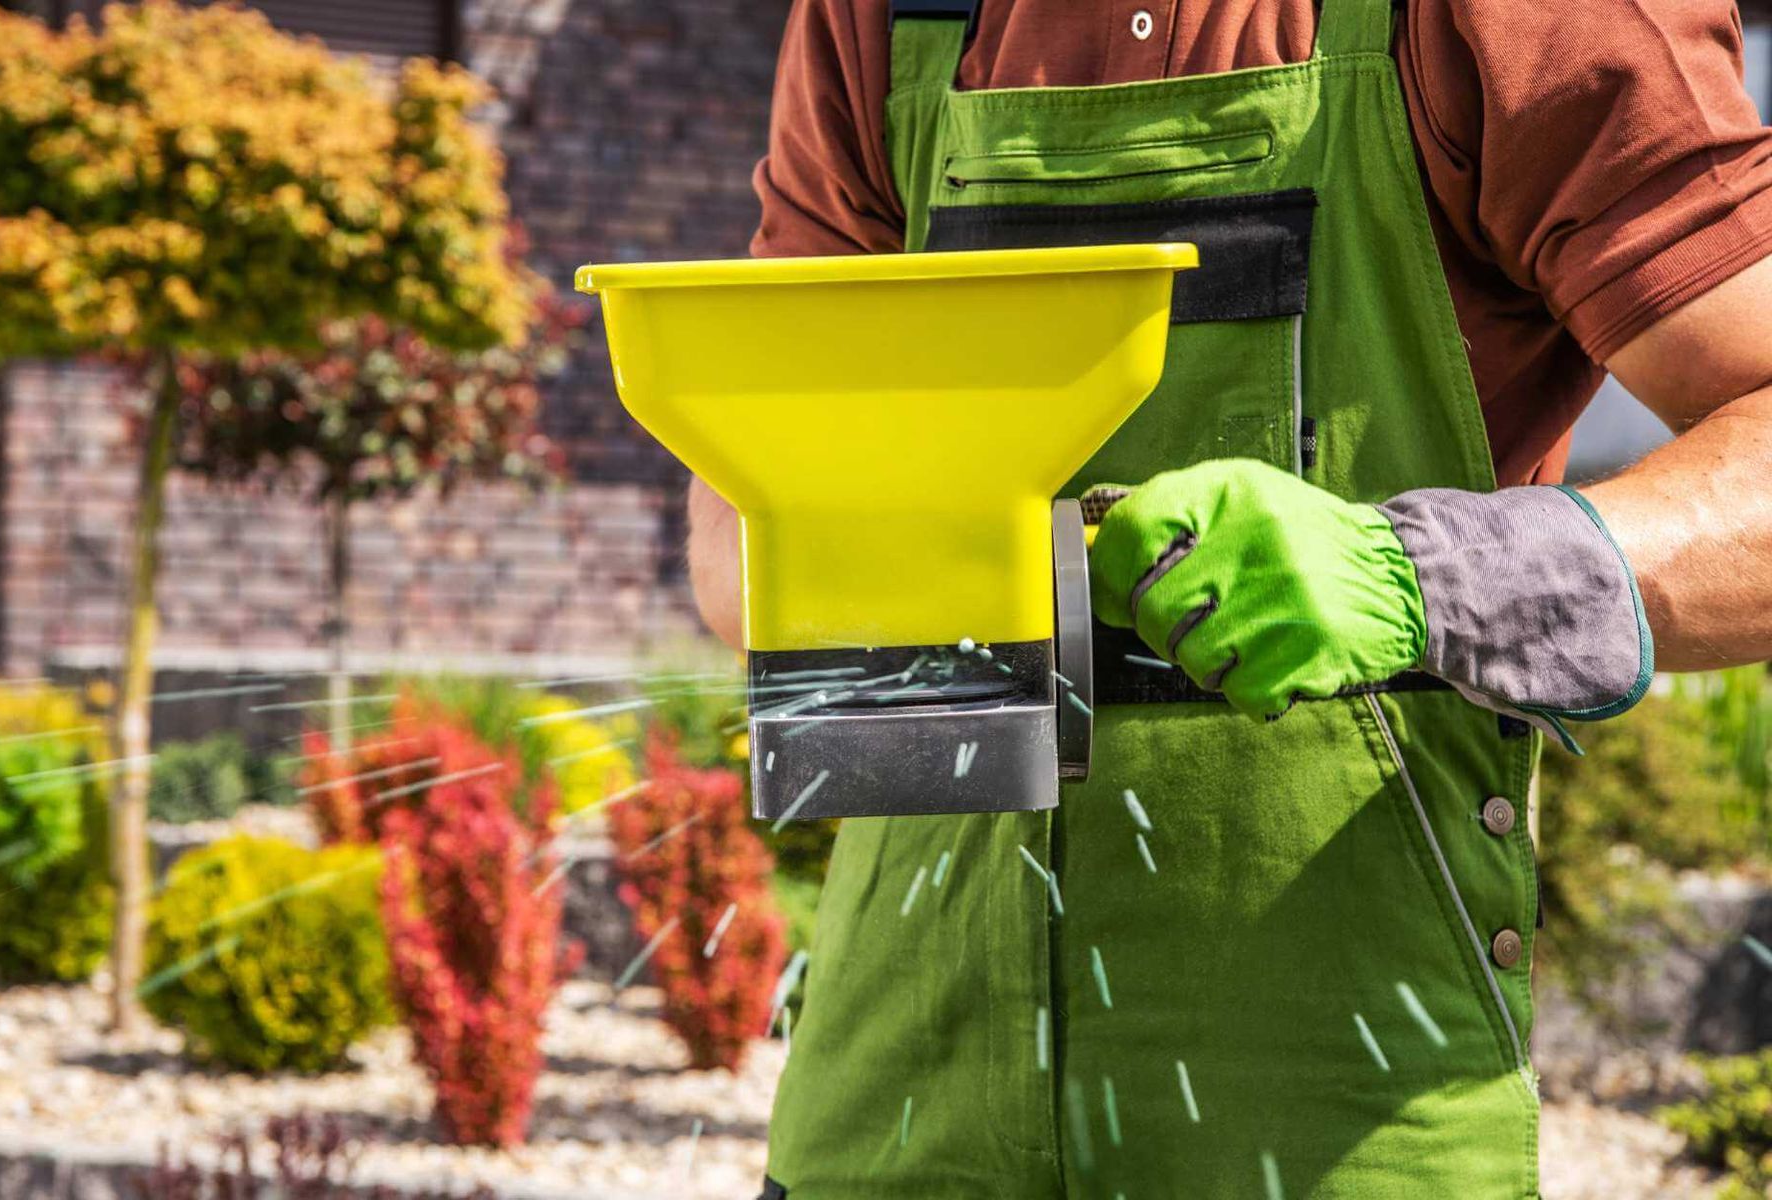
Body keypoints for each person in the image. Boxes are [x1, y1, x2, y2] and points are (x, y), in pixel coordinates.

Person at [686, 0, 1772, 1194]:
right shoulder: (883, 17)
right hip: (898, 1095)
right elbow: (738, 530)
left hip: (1331, 1107)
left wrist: (1421, 576)